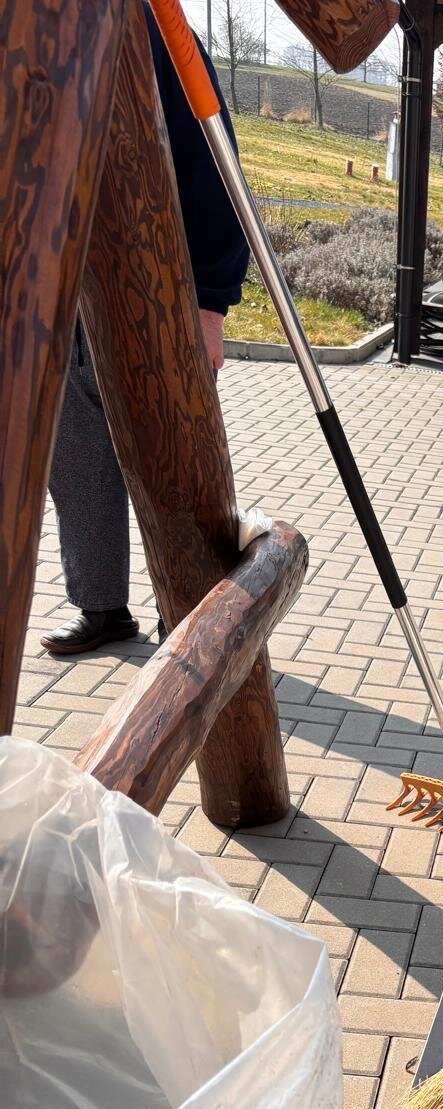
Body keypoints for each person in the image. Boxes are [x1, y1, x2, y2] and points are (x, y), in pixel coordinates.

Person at [40, 6, 249, 658]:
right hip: (62, 290)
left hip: (156, 295)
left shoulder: (152, 25)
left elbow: (214, 168)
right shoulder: (34, 30)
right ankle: (102, 606)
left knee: (177, 469)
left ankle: (187, 614)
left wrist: (210, 305)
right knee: (76, 460)